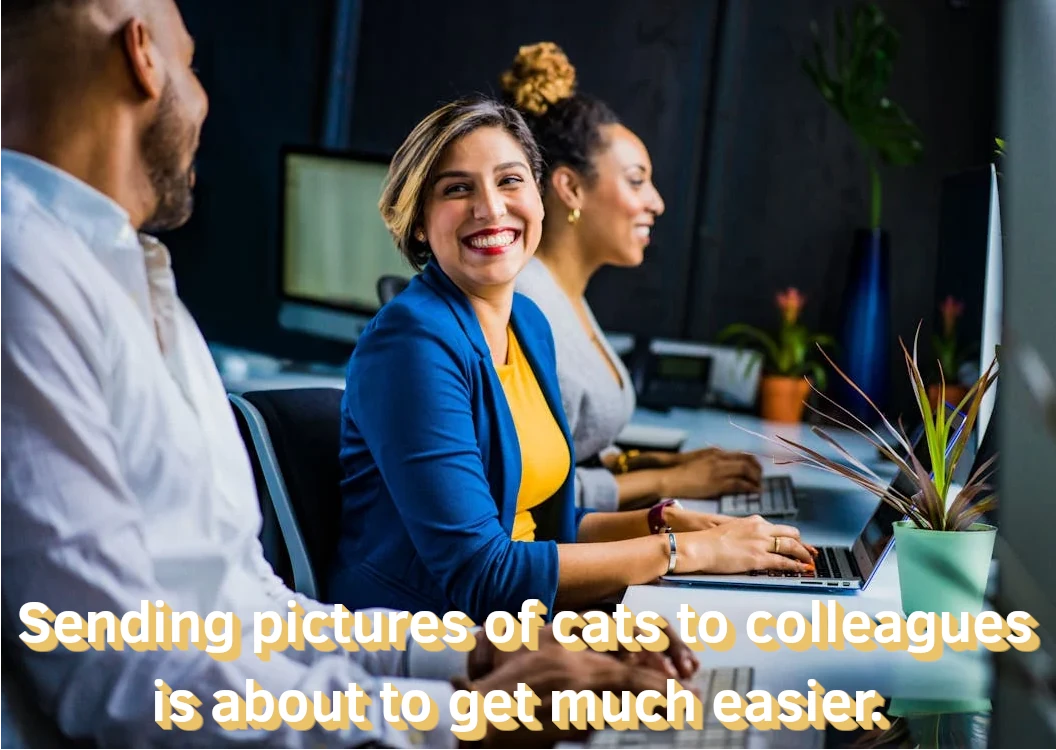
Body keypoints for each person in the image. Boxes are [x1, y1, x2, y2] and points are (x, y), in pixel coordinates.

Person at [0, 3, 689, 748]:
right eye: (192, 64)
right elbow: (124, 678)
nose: (202, 101)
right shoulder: (24, 273)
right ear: (143, 55)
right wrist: (460, 720)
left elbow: (248, 612)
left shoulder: (128, 276)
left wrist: (482, 657)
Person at [330, 97, 816, 623]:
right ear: (420, 223)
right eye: (457, 188)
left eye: (510, 181)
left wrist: (669, 526)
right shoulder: (411, 343)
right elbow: (482, 575)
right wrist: (685, 553)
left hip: (518, 618)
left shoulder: (529, 325)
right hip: (423, 640)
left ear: (540, 199)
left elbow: (549, 529)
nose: (491, 207)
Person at [505, 42, 765, 513]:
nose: (656, 203)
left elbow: (574, 451)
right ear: (570, 187)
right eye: (636, 180)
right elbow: (533, 495)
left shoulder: (565, 296)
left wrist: (655, 463)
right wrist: (668, 479)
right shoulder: (527, 306)